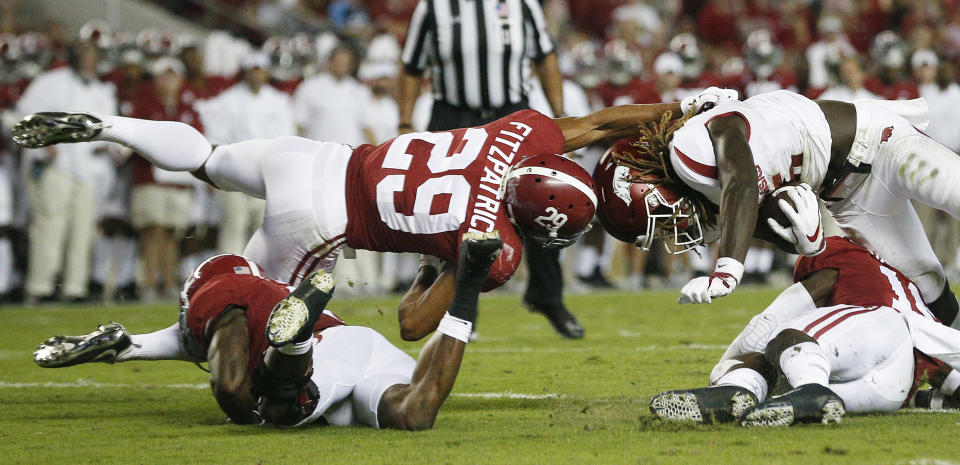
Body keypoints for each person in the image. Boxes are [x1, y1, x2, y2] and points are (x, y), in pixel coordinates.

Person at [10, 90, 726, 341]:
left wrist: (677, 113)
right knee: (250, 316)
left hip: (318, 158)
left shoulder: (526, 134)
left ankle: (108, 122)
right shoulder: (500, 244)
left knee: (208, 156)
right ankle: (144, 338)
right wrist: (446, 268)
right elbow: (413, 324)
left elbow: (602, 124)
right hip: (325, 221)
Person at [33, 232, 501, 429]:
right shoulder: (261, 291)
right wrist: (124, 346)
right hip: (361, 345)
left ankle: (293, 342)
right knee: (414, 414)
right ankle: (462, 285)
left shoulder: (216, 295)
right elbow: (175, 343)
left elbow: (229, 382)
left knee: (280, 407)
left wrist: (248, 415)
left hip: (322, 357)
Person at [595, 89, 960, 330]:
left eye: (657, 223)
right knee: (925, 285)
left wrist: (727, 268)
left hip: (879, 142)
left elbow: (741, 176)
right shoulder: (711, 209)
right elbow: (777, 221)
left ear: (650, 188)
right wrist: (805, 239)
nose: (669, 231)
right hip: (848, 197)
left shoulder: (688, 149)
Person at [397, 0, 578, 338]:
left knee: (541, 197)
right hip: (455, 115)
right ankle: (460, 305)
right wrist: (405, 122)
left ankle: (547, 295)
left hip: (510, 111)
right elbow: (410, 67)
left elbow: (545, 57)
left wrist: (559, 113)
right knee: (454, 213)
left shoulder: (523, 4)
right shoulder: (434, 7)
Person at [649, 236, 960, 427]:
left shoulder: (845, 255)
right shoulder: (912, 294)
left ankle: (736, 389)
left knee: (784, 338)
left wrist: (727, 366)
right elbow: (943, 372)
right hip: (893, 389)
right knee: (789, 391)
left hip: (878, 327)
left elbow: (776, 316)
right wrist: (929, 400)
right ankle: (801, 397)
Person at [15, 40, 117, 303]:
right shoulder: (50, 82)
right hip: (56, 167)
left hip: (89, 169)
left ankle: (75, 287)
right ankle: (41, 287)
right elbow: (25, 114)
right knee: (50, 227)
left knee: (83, 230)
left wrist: (108, 148)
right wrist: (41, 145)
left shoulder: (102, 90)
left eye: (93, 56)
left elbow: (113, 127)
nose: (89, 61)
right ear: (73, 56)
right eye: (84, 54)